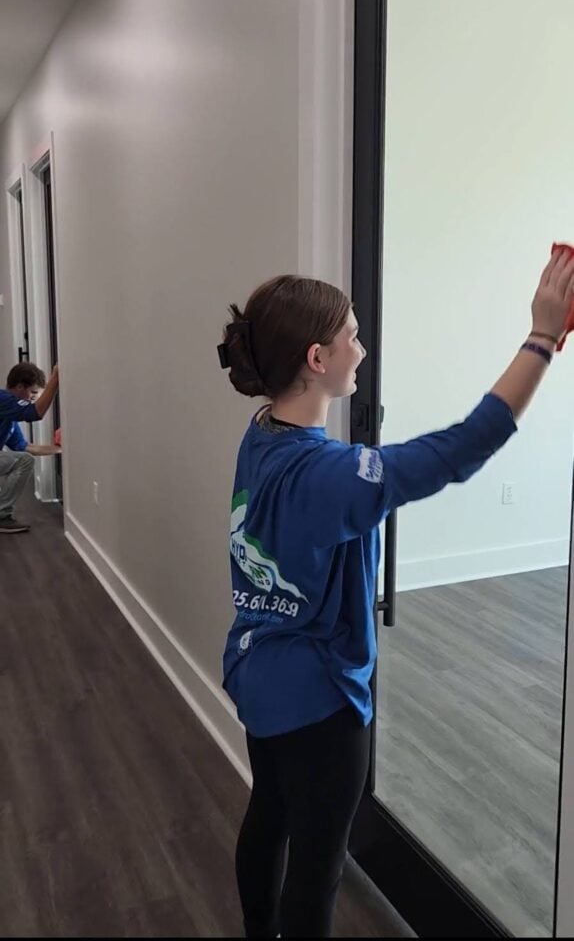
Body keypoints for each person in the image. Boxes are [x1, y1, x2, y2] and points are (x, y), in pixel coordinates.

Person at [218, 244, 574, 939]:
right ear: (318, 360)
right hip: (318, 705)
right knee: (317, 872)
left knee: (269, 813)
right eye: (352, 333)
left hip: (256, 668)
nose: (362, 345)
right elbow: (461, 447)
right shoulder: (331, 476)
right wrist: (542, 337)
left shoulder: (260, 434)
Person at [0, 361, 61, 534]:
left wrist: (61, 448)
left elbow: (25, 447)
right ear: (19, 386)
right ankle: (1, 516)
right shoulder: (2, 399)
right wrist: (55, 379)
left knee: (22, 458)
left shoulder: (7, 416)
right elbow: (35, 413)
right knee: (24, 461)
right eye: (33, 392)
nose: (34, 398)